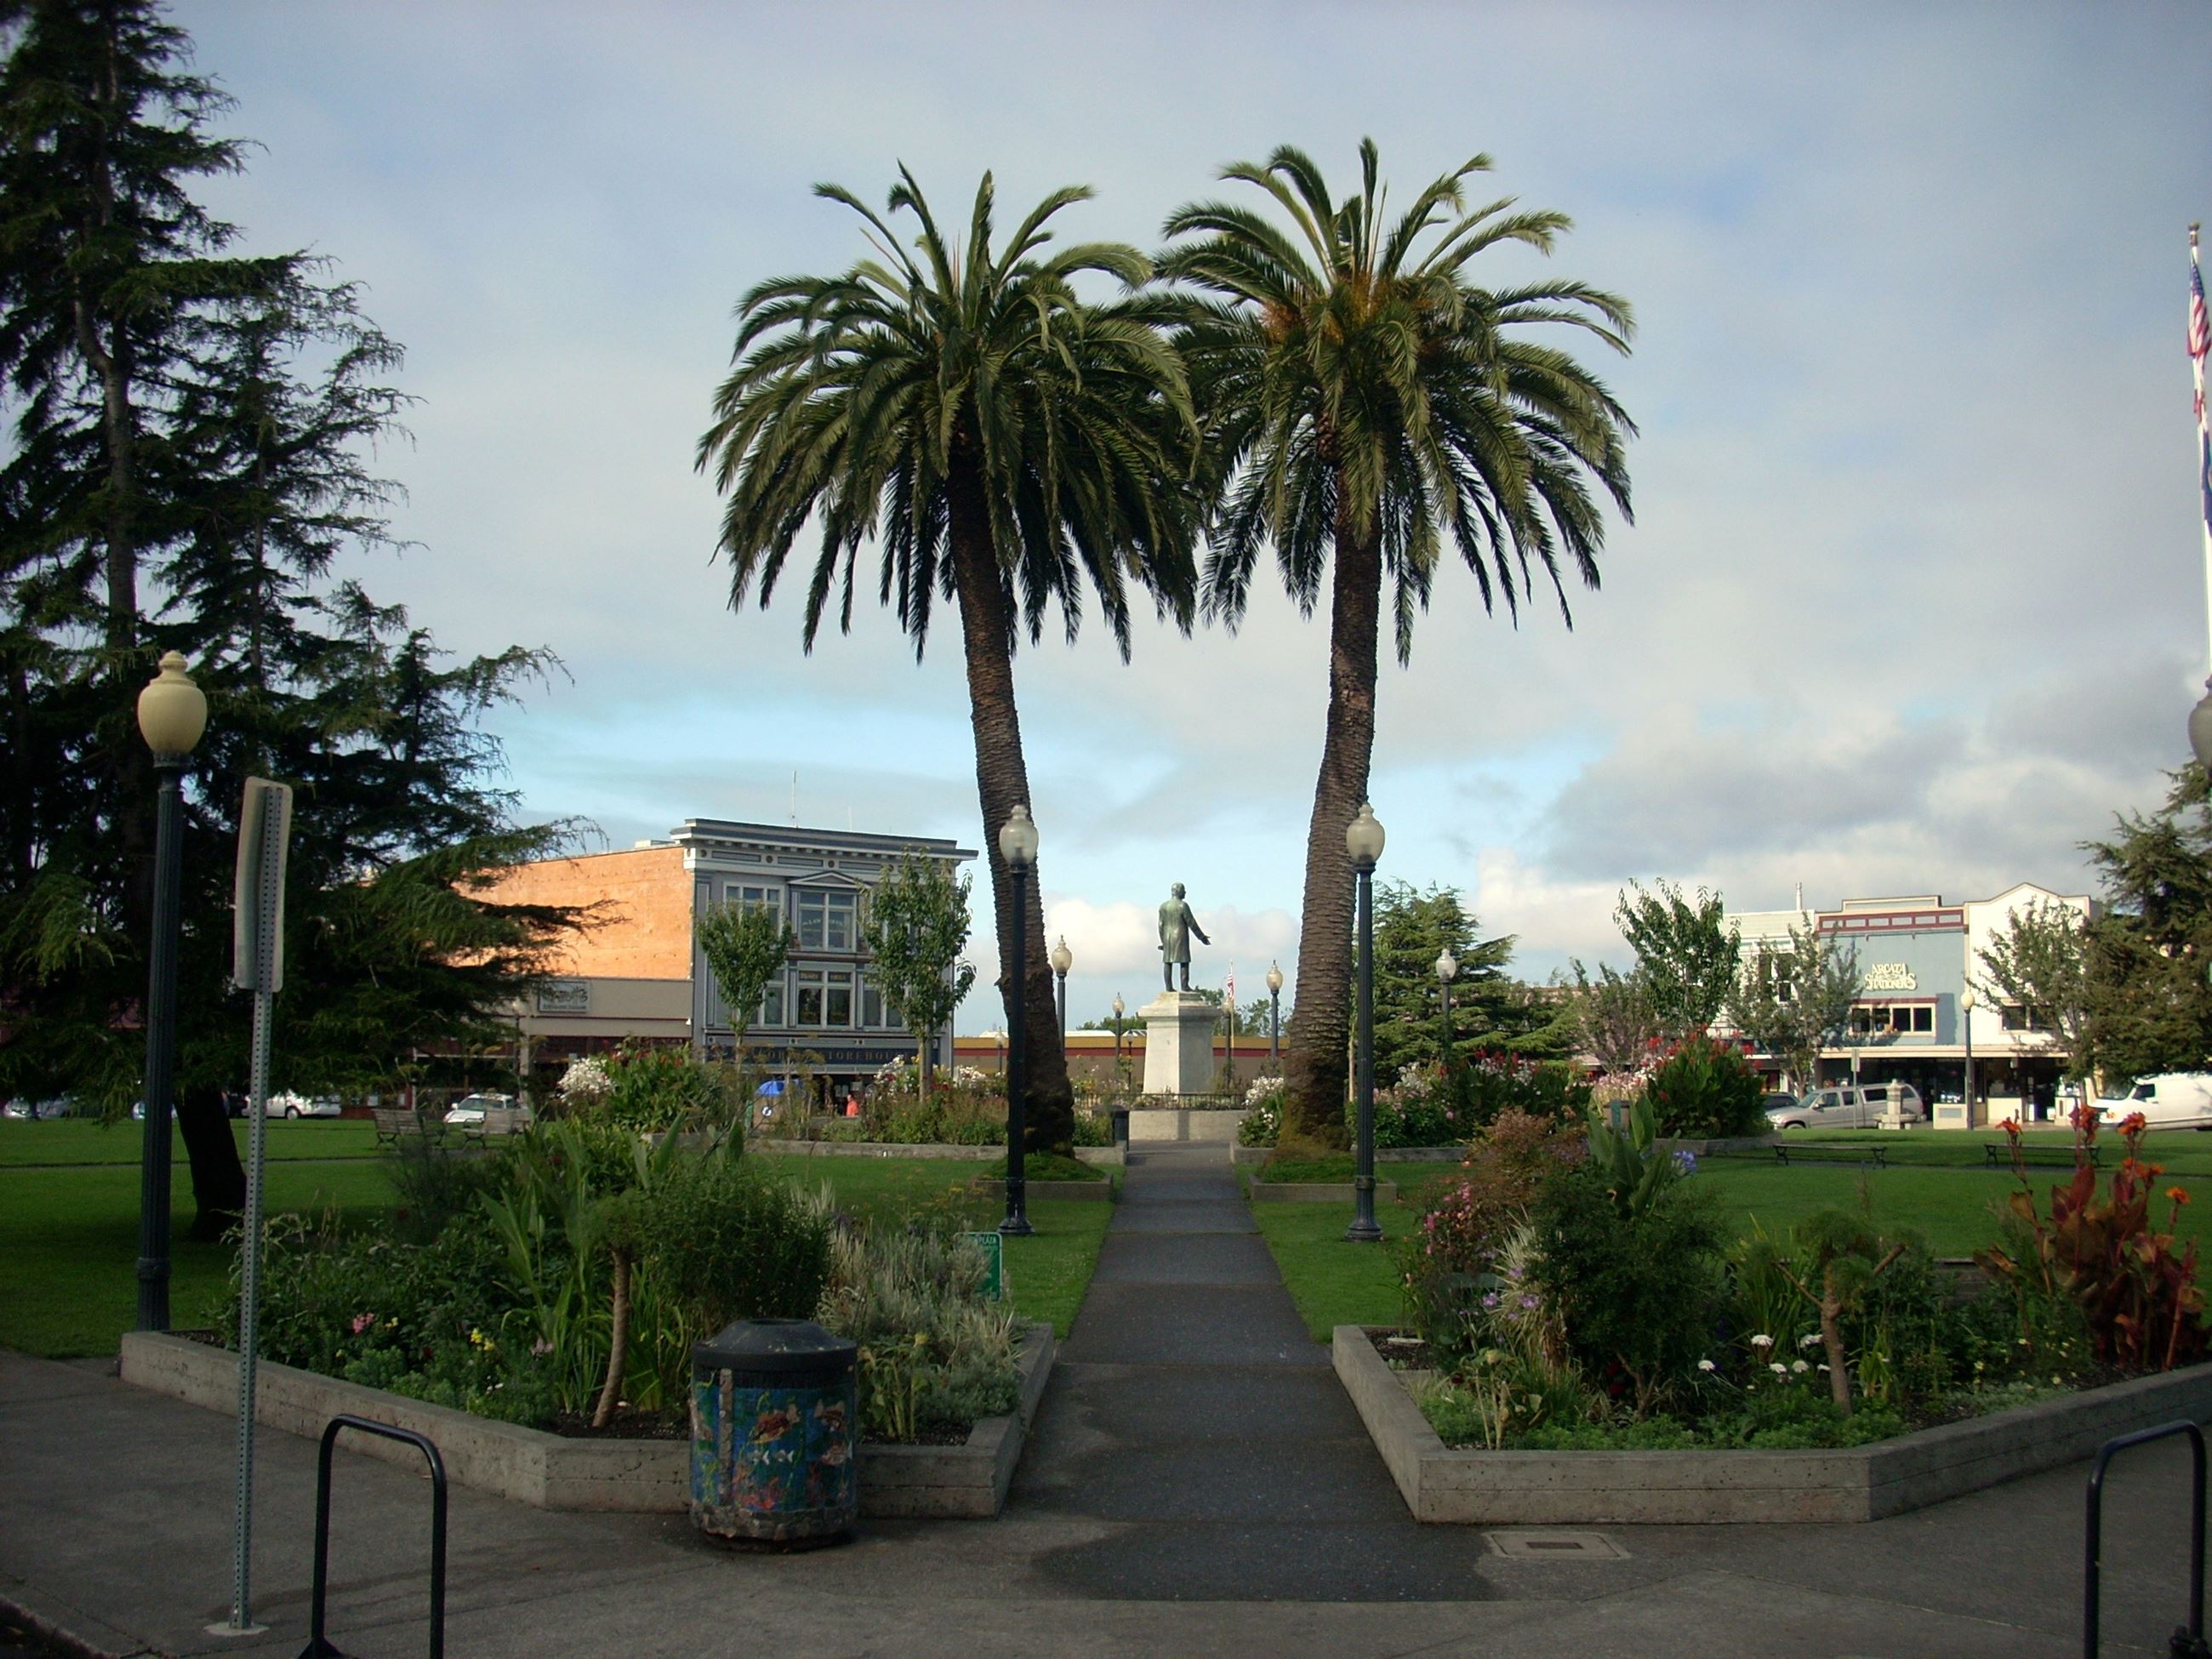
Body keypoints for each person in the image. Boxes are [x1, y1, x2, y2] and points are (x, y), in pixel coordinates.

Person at [1157, 881, 1211, 993]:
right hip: (1180, 936)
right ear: (1178, 891)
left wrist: (1163, 941)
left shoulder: (1163, 906)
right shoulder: (1183, 905)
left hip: (1167, 937)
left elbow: (1160, 925)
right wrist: (1202, 937)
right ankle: (1185, 985)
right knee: (1184, 961)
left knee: (1168, 961)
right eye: (1183, 890)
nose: (1185, 892)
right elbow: (1192, 923)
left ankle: (1169, 986)